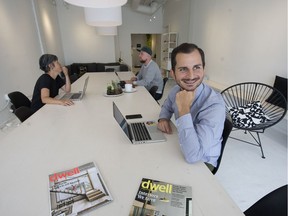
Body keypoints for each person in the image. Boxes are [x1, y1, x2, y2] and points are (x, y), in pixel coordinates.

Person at [157, 43, 225, 171]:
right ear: (173, 73)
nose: (191, 76)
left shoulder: (214, 104)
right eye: (183, 69)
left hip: (203, 163)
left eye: (196, 67)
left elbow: (194, 156)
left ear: (203, 69)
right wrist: (163, 118)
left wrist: (184, 110)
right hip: (182, 146)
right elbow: (166, 106)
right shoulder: (176, 90)